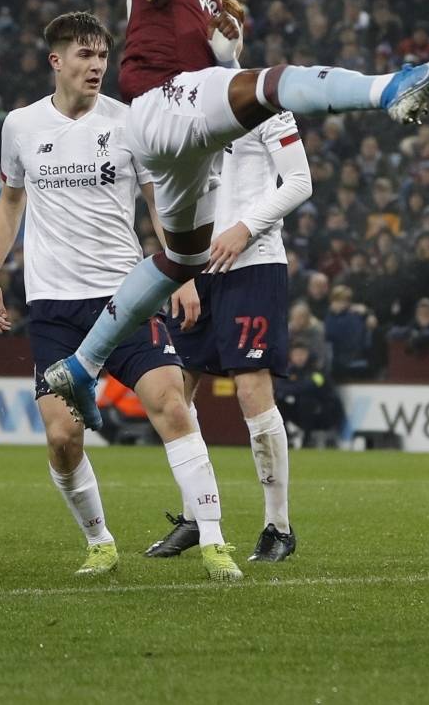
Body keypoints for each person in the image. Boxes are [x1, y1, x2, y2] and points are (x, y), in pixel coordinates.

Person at [43, 0, 429, 431]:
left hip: (182, 135)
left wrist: (227, 41)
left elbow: (219, 63)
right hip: (160, 102)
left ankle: (82, 364)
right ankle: (389, 90)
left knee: (178, 259)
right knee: (271, 87)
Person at [0, 12, 241, 581]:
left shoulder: (128, 123)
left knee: (172, 403)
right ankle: (99, 541)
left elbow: (158, 200)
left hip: (125, 297)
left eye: (102, 55)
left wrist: (185, 272)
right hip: (52, 306)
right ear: (57, 61)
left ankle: (215, 542)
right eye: (84, 55)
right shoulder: (21, 126)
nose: (97, 65)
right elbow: (9, 202)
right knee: (61, 436)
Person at [152, 99, 311, 563]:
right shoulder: (179, 108)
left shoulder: (265, 104)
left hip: (253, 264)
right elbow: (168, 192)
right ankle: (194, 517)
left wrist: (244, 228)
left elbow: (301, 181)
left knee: (250, 390)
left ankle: (277, 527)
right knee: (172, 391)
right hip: (194, 268)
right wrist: (180, 271)